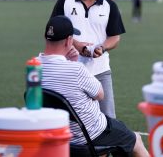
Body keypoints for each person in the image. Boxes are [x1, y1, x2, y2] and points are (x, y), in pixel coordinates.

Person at [37, 15, 150, 157]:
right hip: (89, 135)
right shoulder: (76, 70)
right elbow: (100, 94)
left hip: (57, 134)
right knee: (136, 140)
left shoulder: (34, 67)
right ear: (69, 40)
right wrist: (74, 63)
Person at [49, 0, 125, 119]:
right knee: (67, 119)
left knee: (109, 119)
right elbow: (51, 31)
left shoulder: (110, 6)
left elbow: (115, 37)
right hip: (69, 71)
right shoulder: (65, 1)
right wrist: (76, 45)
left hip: (100, 71)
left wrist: (102, 48)